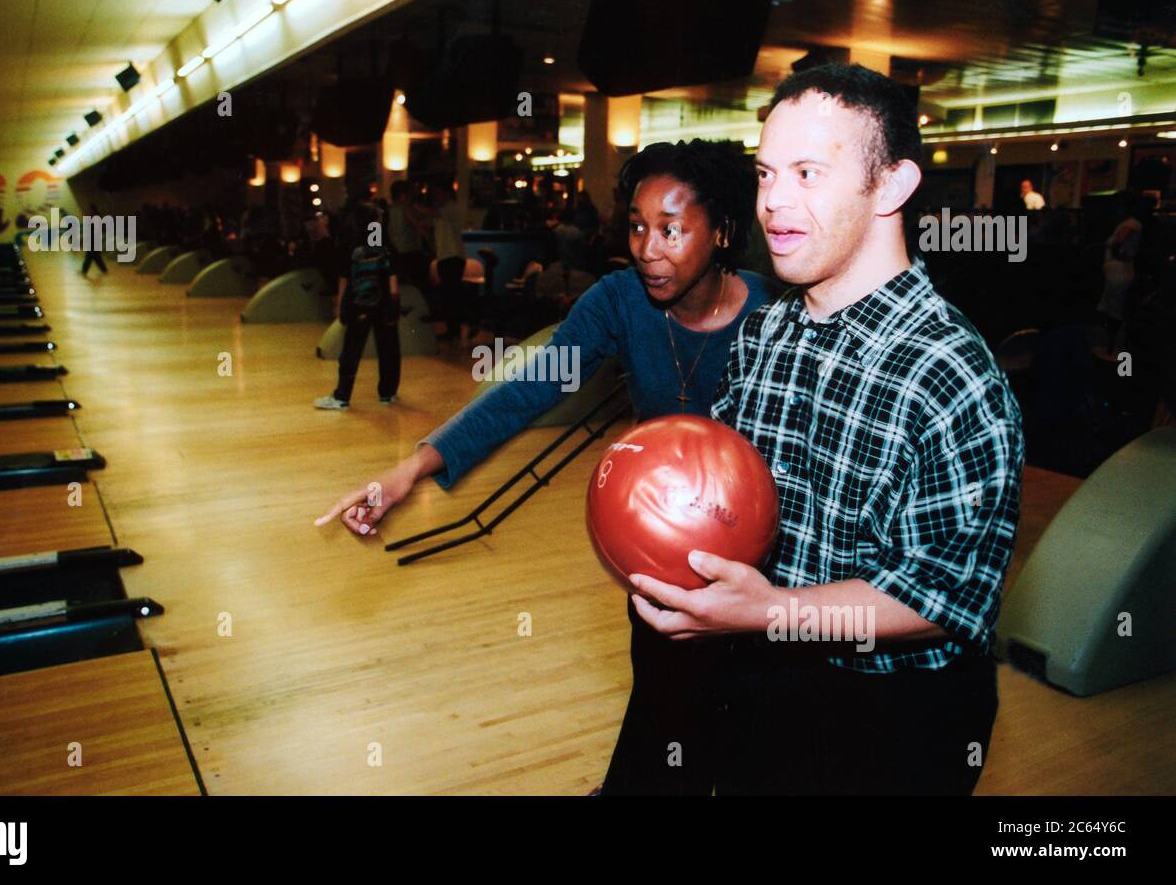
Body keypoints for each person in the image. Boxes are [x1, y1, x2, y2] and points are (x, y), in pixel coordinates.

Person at [316, 140, 778, 793]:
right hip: (659, 551)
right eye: (638, 226)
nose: (648, 247)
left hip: (759, 555)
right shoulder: (622, 299)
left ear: (724, 230)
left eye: (671, 229)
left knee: (739, 719)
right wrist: (411, 469)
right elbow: (529, 385)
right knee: (662, 694)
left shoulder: (776, 316)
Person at [626, 64, 1025, 795]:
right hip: (761, 672)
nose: (774, 200)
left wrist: (772, 611)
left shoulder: (949, 373)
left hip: (891, 714)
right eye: (767, 172)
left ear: (893, 186)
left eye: (808, 172)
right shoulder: (768, 330)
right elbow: (733, 497)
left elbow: (945, 597)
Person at [314, 203, 401, 409]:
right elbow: (393, 284)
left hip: (359, 304)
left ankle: (342, 397)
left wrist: (340, 306)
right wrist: (394, 306)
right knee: (388, 348)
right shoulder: (386, 249)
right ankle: (387, 394)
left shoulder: (351, 247)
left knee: (351, 350)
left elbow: (343, 280)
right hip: (384, 304)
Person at [1096, 191, 1143, 353]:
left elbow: (1119, 241)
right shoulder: (1128, 223)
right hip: (1117, 271)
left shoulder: (1130, 224)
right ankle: (1113, 346)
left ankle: (1115, 347)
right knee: (1112, 308)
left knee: (1114, 310)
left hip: (1119, 272)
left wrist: (1118, 254)